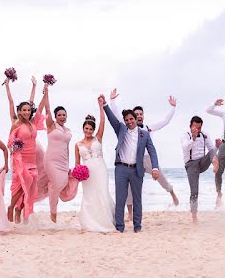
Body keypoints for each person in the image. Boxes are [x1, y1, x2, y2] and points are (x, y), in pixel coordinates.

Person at [109, 89, 180, 216]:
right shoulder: (126, 126)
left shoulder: (148, 127)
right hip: (134, 160)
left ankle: (172, 192)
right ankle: (130, 214)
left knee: (162, 178)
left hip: (147, 159)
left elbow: (165, 121)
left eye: (141, 114)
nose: (139, 116)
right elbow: (117, 115)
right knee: (129, 186)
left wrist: (173, 108)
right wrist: (112, 101)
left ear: (143, 115)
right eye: (137, 114)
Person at [101, 94, 159, 233]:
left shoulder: (144, 134)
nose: (129, 122)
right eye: (126, 120)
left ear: (136, 119)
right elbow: (111, 118)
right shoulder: (121, 128)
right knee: (120, 199)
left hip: (137, 170)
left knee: (137, 199)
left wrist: (155, 168)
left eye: (131, 119)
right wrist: (105, 104)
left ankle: (137, 227)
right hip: (121, 168)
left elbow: (152, 151)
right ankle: (120, 227)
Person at [5, 75, 48, 223]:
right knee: (22, 184)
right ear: (19, 111)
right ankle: (11, 207)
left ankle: (19, 209)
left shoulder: (33, 122)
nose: (26, 112)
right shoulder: (16, 124)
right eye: (23, 110)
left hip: (32, 159)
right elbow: (9, 142)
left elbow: (40, 106)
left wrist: (42, 89)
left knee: (29, 187)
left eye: (28, 110)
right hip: (20, 158)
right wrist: (7, 86)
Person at [40, 84, 79, 223]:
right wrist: (46, 93)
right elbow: (47, 109)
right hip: (51, 160)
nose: (62, 116)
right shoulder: (51, 126)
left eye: (64, 115)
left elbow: (67, 148)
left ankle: (53, 203)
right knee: (57, 183)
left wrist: (68, 164)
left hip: (63, 162)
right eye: (59, 115)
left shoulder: (68, 130)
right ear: (56, 117)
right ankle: (53, 213)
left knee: (61, 183)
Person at [75, 106, 116, 232]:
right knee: (90, 196)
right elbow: (77, 163)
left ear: (93, 130)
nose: (88, 131)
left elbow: (103, 122)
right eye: (86, 128)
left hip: (100, 170)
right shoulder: (77, 145)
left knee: (102, 192)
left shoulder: (97, 138)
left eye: (90, 129)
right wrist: (79, 174)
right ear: (83, 129)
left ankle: (106, 221)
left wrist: (101, 106)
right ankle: (91, 222)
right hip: (87, 174)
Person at [181, 116, 216, 223]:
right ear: (190, 126)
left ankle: (216, 164)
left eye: (199, 128)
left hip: (202, 162)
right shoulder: (185, 135)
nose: (197, 130)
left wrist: (217, 147)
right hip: (191, 164)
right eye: (195, 127)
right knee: (194, 191)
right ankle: (194, 216)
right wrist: (193, 138)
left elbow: (211, 148)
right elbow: (185, 147)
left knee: (214, 150)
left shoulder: (205, 134)